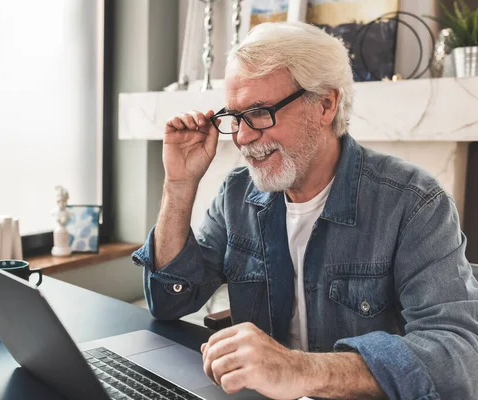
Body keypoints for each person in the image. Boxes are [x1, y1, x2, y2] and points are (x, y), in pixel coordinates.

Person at [132, 21, 478, 399]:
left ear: (326, 104)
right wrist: (179, 187)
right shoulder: (237, 194)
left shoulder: (414, 203)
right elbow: (169, 301)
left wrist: (300, 369)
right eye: (235, 116)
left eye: (261, 112)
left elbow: (458, 355)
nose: (244, 137)